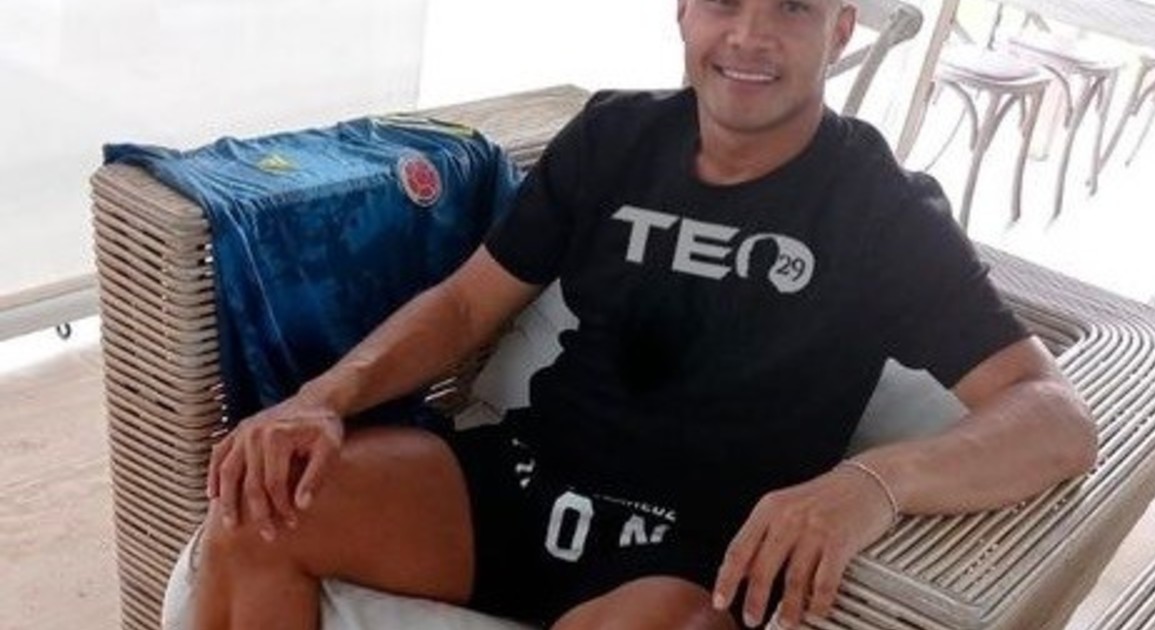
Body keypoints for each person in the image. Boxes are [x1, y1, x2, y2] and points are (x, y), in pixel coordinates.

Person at [193, 0, 1098, 628]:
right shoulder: (614, 137)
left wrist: (873, 484)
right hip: (525, 479)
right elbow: (467, 302)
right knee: (253, 515)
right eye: (723, 4)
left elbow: (1055, 419)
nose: (749, 36)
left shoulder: (879, 208)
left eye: (791, 8)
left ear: (840, 29)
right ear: (684, 15)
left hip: (690, 548)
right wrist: (320, 398)